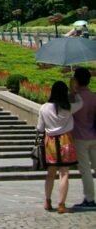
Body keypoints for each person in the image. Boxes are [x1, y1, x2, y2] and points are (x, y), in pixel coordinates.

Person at [37, 80, 83, 214]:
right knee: (64, 173)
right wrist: (75, 92)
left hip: (50, 141)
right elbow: (81, 104)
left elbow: (40, 128)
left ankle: (47, 201)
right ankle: (61, 204)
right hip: (65, 140)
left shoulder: (44, 107)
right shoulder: (68, 107)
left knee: (50, 173)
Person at [71, 67, 96, 209]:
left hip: (80, 137)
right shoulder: (93, 96)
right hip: (94, 134)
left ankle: (90, 198)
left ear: (77, 80)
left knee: (85, 169)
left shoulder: (75, 97)